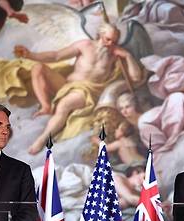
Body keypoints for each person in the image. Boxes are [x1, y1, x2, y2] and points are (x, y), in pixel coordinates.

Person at [12, 22, 143, 154]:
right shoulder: (85, 45)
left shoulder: (115, 56)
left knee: (64, 105)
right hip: (67, 85)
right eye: (107, 39)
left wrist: (127, 56)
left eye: (114, 41)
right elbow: (56, 56)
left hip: (88, 91)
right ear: (100, 35)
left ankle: (42, 139)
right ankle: (46, 106)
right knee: (38, 68)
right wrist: (30, 55)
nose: (110, 44)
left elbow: (136, 77)